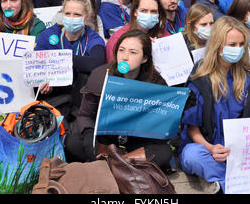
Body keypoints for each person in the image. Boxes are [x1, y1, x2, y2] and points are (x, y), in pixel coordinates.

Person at [178, 15, 250, 194]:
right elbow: (192, 129)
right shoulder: (200, 78)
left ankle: (220, 181)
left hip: (246, 151)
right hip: (212, 150)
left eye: (242, 45)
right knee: (191, 156)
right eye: (232, 45)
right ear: (218, 46)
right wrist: (211, 148)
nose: (238, 49)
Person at [64, 29, 172, 168]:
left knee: (164, 152)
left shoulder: (156, 82)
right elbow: (85, 115)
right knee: (72, 143)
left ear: (144, 58)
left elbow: (162, 127)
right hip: (105, 142)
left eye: (133, 52)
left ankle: (116, 162)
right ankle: (119, 163)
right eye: (121, 50)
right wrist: (90, 142)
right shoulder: (100, 75)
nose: (125, 57)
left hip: (137, 143)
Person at [35, 0, 106, 117]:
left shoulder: (93, 38)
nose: (71, 18)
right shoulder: (48, 35)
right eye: (67, 13)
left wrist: (60, 59)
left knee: (86, 75)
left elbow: (96, 62)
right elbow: (35, 68)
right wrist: (42, 82)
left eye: (77, 14)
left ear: (87, 17)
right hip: (53, 96)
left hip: (80, 98)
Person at [105, 0, 169, 62]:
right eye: (144, 11)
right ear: (135, 12)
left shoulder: (163, 35)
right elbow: (116, 70)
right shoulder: (118, 39)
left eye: (153, 11)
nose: (149, 15)